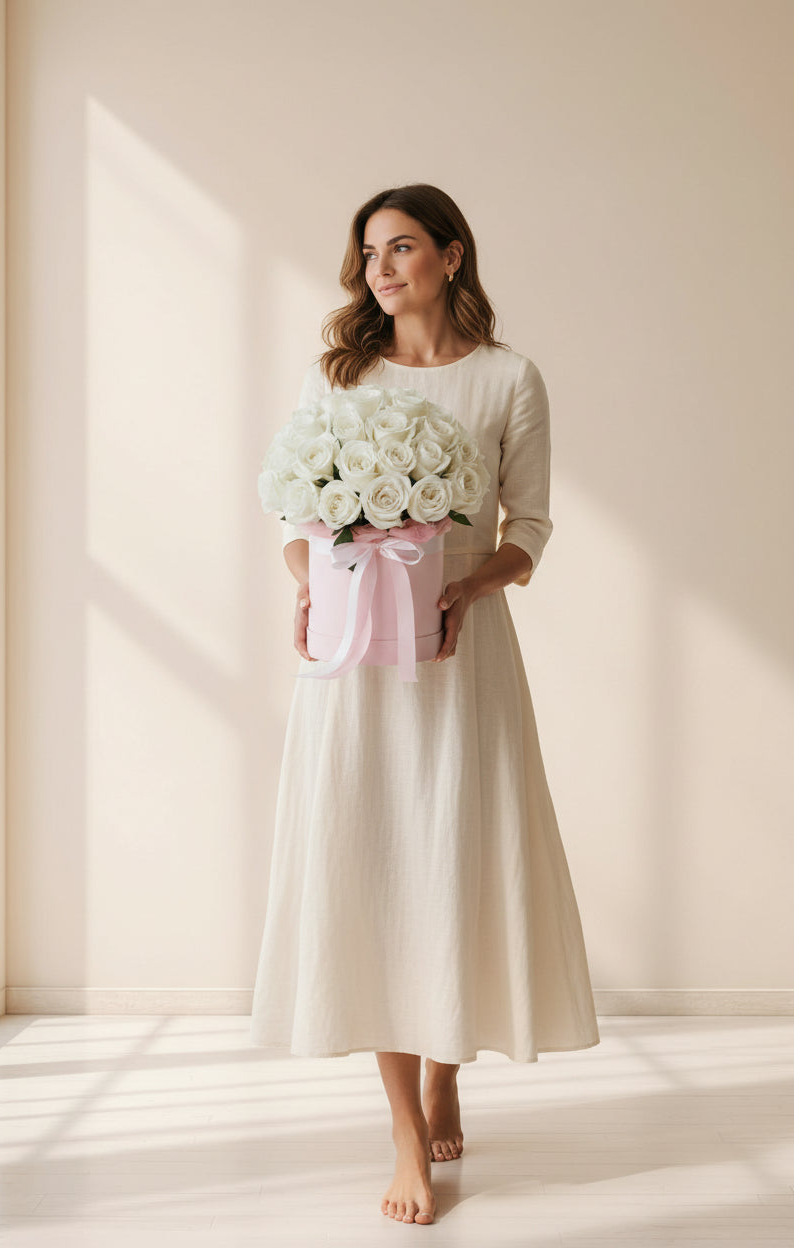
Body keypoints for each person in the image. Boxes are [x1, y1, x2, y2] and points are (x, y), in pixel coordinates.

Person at [250, 183, 600, 1226]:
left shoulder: (507, 379)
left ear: (452, 256)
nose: (380, 268)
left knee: (451, 866)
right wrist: (311, 584)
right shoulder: (340, 379)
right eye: (368, 253)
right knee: (369, 871)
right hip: (355, 665)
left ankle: (448, 1069)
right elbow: (288, 511)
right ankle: (405, 1133)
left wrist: (463, 586)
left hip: (460, 655)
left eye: (402, 248)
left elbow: (527, 530)